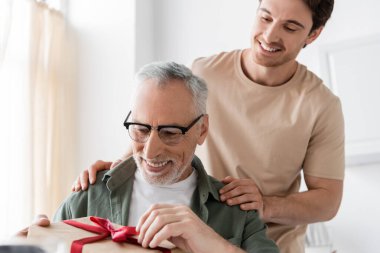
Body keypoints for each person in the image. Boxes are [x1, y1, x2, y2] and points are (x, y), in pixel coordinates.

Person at [73, 0, 344, 252]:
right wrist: (118, 167)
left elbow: (328, 201)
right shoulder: (206, 73)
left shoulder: (321, 105)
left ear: (313, 34)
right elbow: (161, 124)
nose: (270, 35)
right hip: (193, 229)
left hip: (266, 243)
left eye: (290, 27)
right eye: (265, 18)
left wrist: (265, 205)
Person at [20, 62, 279, 253]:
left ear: (202, 130)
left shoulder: (237, 211)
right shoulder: (85, 197)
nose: (150, 151)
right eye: (141, 129)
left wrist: (210, 243)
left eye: (170, 132)